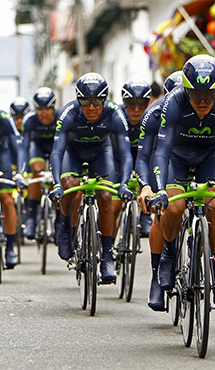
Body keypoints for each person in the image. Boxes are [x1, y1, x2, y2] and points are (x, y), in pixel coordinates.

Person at [150, 55, 215, 309]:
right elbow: (161, 149)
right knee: (174, 207)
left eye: (209, 94)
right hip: (176, 155)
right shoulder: (174, 100)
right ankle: (169, 258)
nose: (202, 101)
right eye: (195, 94)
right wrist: (160, 189)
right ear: (186, 89)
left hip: (210, 154)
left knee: (214, 207)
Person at [49, 72, 133, 282]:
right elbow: (57, 151)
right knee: (70, 185)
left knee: (105, 197)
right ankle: (66, 229)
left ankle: (106, 256)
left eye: (97, 102)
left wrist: (123, 184)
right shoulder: (68, 113)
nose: (91, 107)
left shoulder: (114, 113)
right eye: (85, 102)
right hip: (73, 152)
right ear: (79, 100)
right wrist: (56, 183)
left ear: (104, 100)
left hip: (100, 153)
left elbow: (124, 153)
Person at [135, 70, 182, 311]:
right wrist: (146, 186)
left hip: (197, 157)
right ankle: (157, 276)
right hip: (163, 161)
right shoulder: (154, 112)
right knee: (160, 215)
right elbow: (144, 156)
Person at [111, 79, 152, 238]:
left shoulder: (151, 116)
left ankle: (145, 215)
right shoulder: (117, 116)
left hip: (141, 156)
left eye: (141, 105)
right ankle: (109, 241)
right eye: (131, 104)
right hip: (119, 157)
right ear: (124, 103)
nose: (136, 109)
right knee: (113, 207)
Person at [23, 87, 60, 239]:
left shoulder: (61, 117)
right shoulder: (30, 120)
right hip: (37, 146)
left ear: (53, 108)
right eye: (40, 109)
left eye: (47, 109)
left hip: (55, 146)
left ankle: (59, 220)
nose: (44, 113)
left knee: (59, 176)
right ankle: (31, 217)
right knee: (36, 172)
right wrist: (23, 169)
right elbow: (24, 147)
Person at [0, 110, 25, 268]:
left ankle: (10, 247)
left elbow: (18, 147)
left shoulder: (4, 118)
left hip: (2, 155)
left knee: (7, 201)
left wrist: (20, 174)